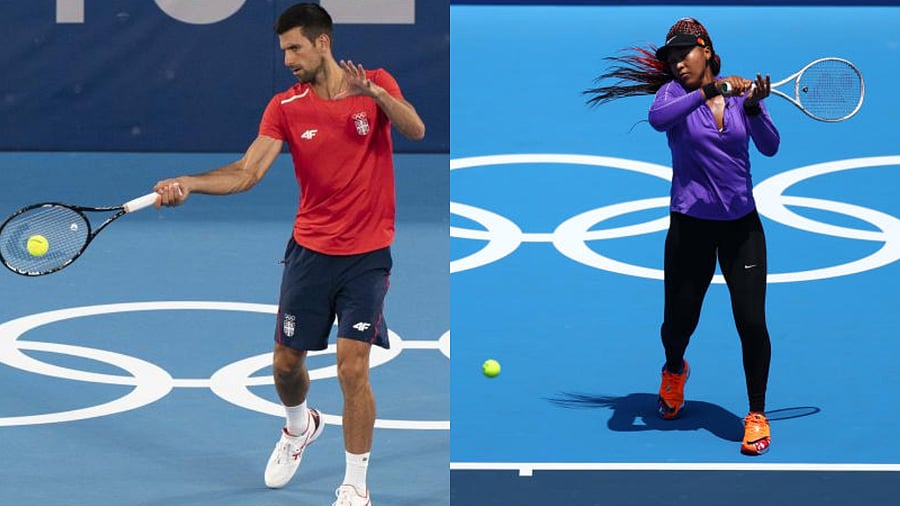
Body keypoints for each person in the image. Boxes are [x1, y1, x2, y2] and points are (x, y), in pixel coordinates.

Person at [152, 3, 425, 503]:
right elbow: (247, 171)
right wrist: (189, 183)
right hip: (310, 253)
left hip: (367, 254)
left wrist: (376, 94)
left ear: (323, 42)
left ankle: (355, 486)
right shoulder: (286, 106)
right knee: (285, 365)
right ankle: (299, 426)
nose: (288, 59)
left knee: (353, 367)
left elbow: (415, 130)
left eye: (295, 47)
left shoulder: (376, 83)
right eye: (283, 50)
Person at [584, 17, 779, 456]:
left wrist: (750, 108)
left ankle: (756, 413)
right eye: (671, 57)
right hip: (690, 227)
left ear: (706, 51)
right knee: (678, 324)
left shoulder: (743, 98)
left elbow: (770, 146)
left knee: (751, 322)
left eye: (684, 53)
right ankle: (674, 370)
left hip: (742, 228)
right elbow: (658, 120)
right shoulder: (673, 96)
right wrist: (711, 91)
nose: (677, 63)